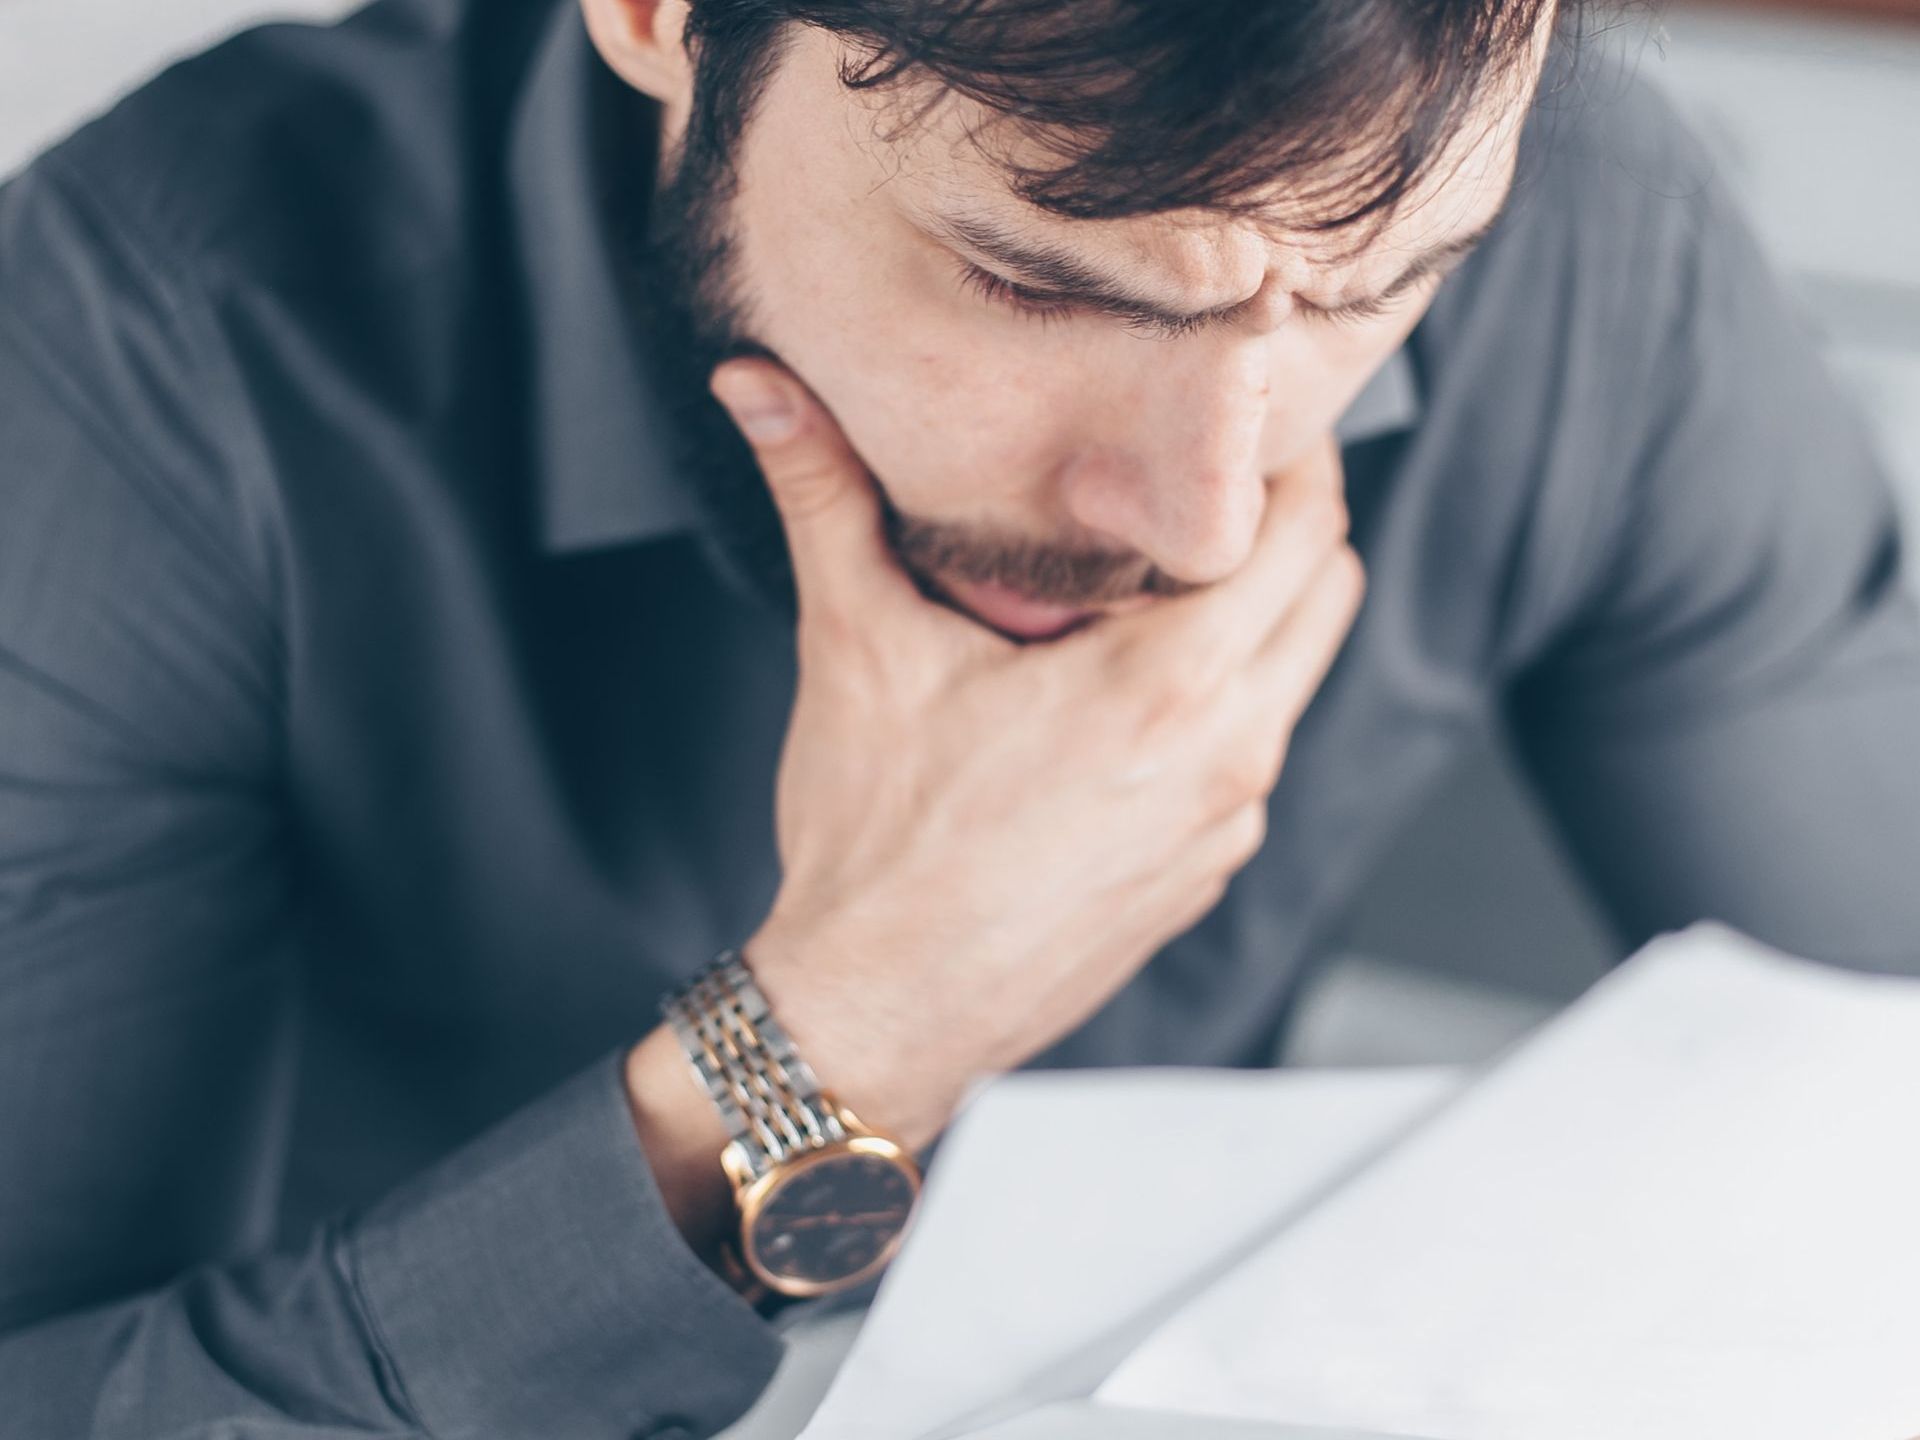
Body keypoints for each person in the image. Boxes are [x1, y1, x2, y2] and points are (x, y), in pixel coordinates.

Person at [2, 0, 1916, 1434]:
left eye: (1381, 291)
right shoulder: (148, 349)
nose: (1208, 514)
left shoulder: (1598, 256)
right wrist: (824, 1048)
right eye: (1036, 282)